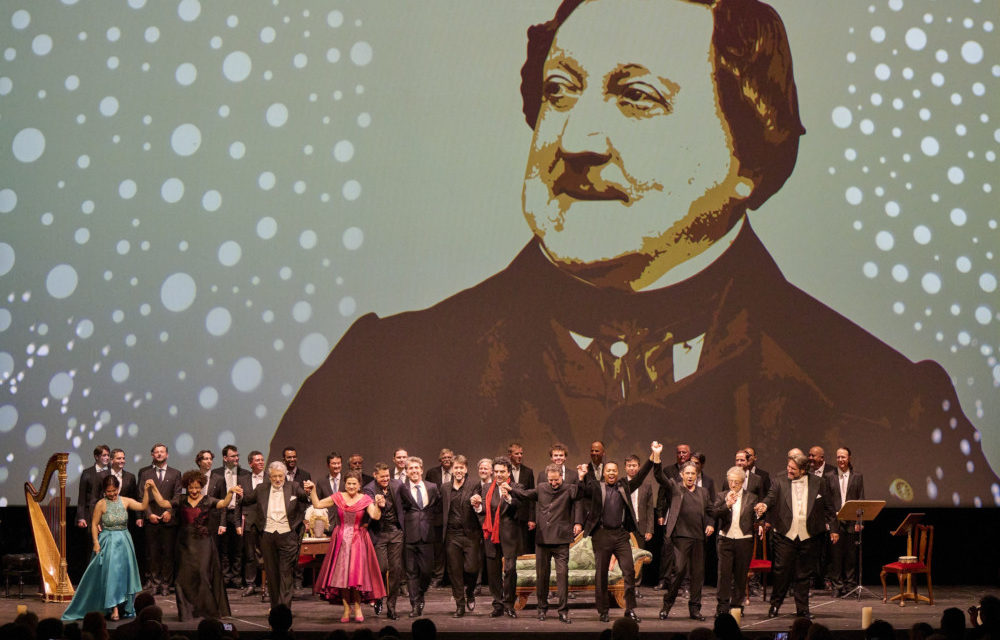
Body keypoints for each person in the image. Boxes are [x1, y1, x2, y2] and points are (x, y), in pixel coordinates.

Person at [268, 0, 997, 506]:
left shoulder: (893, 404)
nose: (575, 141)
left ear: (750, 153)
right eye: (561, 91)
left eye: (638, 98)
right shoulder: (373, 372)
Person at [147, 469, 242, 620]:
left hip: (203, 543)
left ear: (201, 486)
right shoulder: (181, 499)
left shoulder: (208, 500)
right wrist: (153, 488)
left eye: (197, 487)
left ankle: (207, 611)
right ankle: (187, 612)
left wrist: (230, 492)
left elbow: (223, 503)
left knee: (203, 574)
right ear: (186, 487)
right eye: (191, 488)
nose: (194, 490)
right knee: (184, 578)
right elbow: (162, 502)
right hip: (185, 543)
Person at [754, 452, 839, 618]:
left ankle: (803, 609)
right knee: (781, 572)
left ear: (803, 469)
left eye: (793, 468)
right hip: (785, 535)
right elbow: (770, 498)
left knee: (804, 574)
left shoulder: (819, 482)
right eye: (788, 467)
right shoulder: (779, 481)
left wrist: (834, 529)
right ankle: (775, 606)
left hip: (810, 535)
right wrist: (763, 505)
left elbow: (829, 507)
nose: (789, 470)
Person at [62, 475, 153, 621]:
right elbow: (93, 524)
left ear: (118, 488)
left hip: (124, 541)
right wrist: (96, 542)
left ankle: (124, 606)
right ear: (104, 490)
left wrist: (147, 491)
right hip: (108, 541)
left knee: (124, 575)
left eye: (114, 490)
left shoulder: (125, 501)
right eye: (108, 491)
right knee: (112, 575)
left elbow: (142, 506)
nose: (112, 493)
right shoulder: (101, 504)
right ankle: (114, 608)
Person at [577, 453, 652, 623]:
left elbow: (640, 477)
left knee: (629, 571)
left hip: (620, 535)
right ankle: (603, 611)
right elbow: (581, 492)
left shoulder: (623, 487)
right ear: (604, 473)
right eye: (608, 470)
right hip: (602, 535)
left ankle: (630, 609)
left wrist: (653, 457)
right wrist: (581, 478)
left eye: (614, 471)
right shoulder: (597, 487)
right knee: (601, 574)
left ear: (618, 473)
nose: (611, 473)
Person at [506, 462, 585, 624]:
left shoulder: (569, 488)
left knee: (562, 576)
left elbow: (581, 494)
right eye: (551, 480)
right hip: (542, 540)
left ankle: (563, 611)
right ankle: (542, 608)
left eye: (556, 480)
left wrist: (582, 477)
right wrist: (509, 487)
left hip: (561, 539)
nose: (553, 483)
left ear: (561, 477)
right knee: (542, 576)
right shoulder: (542, 488)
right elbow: (525, 494)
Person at [305, 471, 387, 622]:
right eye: (348, 483)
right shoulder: (338, 497)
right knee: (341, 577)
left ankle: (357, 607)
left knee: (355, 576)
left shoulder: (364, 499)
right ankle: (346, 609)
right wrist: (314, 490)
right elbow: (317, 504)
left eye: (354, 484)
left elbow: (375, 516)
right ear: (345, 484)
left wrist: (377, 504)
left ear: (359, 485)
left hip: (358, 540)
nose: (351, 486)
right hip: (341, 539)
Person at [651, 445, 714, 621]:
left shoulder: (703, 492)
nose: (690, 477)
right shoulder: (675, 488)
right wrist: (656, 456)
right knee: (678, 571)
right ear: (682, 475)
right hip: (680, 538)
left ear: (697, 475)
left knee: (698, 575)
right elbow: (659, 477)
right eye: (687, 474)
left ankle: (695, 609)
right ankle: (667, 605)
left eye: (693, 474)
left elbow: (711, 511)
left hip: (699, 539)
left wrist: (723, 510)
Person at [240, 461, 312, 609]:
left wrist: (309, 491)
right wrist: (236, 494)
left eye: (280, 476)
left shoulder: (293, 487)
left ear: (285, 475)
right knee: (272, 574)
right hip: (267, 536)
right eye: (274, 477)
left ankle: (284, 609)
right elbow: (246, 500)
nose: (278, 479)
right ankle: (275, 608)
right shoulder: (261, 489)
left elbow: (305, 498)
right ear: (269, 476)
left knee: (285, 573)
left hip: (288, 535)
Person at [472, 457, 522, 618]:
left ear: (508, 472)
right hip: (490, 535)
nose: (499, 475)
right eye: (497, 471)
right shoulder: (486, 488)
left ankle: (509, 604)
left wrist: (508, 497)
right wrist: (478, 507)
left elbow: (519, 508)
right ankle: (498, 604)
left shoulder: (516, 487)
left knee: (510, 570)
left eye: (502, 472)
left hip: (509, 535)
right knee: (493, 572)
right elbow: (484, 512)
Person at [709, 466, 759, 616]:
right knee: (724, 574)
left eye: (736, 482)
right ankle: (722, 607)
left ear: (742, 482)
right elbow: (715, 513)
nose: (733, 485)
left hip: (744, 540)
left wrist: (760, 521)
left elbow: (756, 517)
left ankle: (737, 605)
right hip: (725, 539)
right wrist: (727, 505)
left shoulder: (752, 497)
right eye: (730, 481)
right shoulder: (721, 495)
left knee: (740, 575)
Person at [437, 455, 482, 617]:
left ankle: (470, 591)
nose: (458, 471)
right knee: (454, 571)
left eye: (461, 468)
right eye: (456, 468)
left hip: (470, 534)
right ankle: (460, 604)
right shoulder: (444, 487)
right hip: (452, 535)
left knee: (472, 568)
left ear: (466, 469)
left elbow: (479, 502)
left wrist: (477, 502)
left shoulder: (473, 485)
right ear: (452, 469)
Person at [135, 443, 182, 596]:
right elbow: (142, 496)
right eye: (157, 452)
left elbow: (177, 496)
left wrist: (170, 511)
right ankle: (155, 584)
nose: (160, 454)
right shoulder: (146, 473)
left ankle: (166, 584)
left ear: (167, 454)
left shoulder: (175, 473)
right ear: (152, 455)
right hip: (152, 519)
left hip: (169, 520)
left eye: (162, 452)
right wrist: (148, 514)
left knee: (168, 554)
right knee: (153, 553)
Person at [398, 456, 440, 617]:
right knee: (411, 573)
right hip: (409, 535)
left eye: (416, 468)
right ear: (407, 472)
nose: (414, 471)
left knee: (427, 571)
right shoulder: (402, 488)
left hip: (427, 535)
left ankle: (421, 594)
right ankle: (415, 604)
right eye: (411, 468)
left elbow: (437, 507)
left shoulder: (432, 487)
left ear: (421, 470)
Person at [364, 462, 407, 620]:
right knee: (381, 569)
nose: (386, 479)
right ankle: (378, 597)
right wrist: (378, 504)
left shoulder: (397, 484)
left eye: (387, 476)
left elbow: (408, 502)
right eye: (382, 477)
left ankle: (392, 606)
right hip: (379, 533)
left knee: (396, 570)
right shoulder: (369, 489)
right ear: (375, 475)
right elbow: (370, 509)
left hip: (395, 532)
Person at [211, 444, 250, 589]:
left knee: (239, 548)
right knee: (224, 547)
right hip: (222, 513)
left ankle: (237, 578)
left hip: (238, 513)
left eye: (237, 455)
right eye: (233, 456)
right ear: (225, 458)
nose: (236, 458)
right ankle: (226, 577)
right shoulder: (216, 474)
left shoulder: (245, 473)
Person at [827, 447, 864, 596]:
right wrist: (830, 524)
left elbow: (861, 498)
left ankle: (850, 586)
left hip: (851, 521)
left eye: (843, 457)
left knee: (850, 556)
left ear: (849, 458)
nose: (840, 460)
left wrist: (860, 521)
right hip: (835, 521)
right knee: (835, 556)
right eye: (838, 457)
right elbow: (827, 502)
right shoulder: (830, 476)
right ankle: (837, 586)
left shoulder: (857, 476)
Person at [424, 448, 455, 588]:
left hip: (454, 514)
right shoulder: (432, 473)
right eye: (444, 457)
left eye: (449, 457)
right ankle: (438, 576)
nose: (447, 459)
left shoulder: (458, 471)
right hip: (437, 516)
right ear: (440, 460)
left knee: (453, 547)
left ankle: (452, 576)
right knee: (438, 549)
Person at [240, 450, 268, 598]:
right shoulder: (243, 479)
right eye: (257, 460)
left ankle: (267, 585)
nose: (261, 462)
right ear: (250, 463)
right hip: (250, 520)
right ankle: (250, 584)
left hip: (267, 521)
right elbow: (241, 501)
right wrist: (239, 522)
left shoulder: (270, 478)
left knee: (267, 554)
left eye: (262, 460)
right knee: (250, 555)